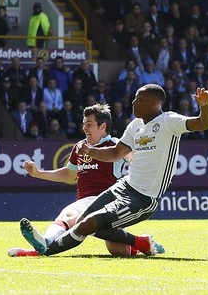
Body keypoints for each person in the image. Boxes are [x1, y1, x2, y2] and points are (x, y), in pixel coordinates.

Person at [19, 85, 208, 256]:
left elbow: (203, 124)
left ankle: (45, 250)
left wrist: (204, 105)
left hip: (142, 198)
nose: (133, 102)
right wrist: (91, 151)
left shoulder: (169, 121)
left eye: (139, 99)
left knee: (87, 225)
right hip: (123, 186)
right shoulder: (135, 125)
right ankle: (141, 243)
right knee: (82, 222)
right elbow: (115, 153)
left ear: (154, 103)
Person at [9, 104, 160, 257]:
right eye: (83, 124)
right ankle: (140, 244)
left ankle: (45, 242)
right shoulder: (79, 146)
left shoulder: (114, 144)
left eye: (89, 124)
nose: (84, 128)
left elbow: (133, 158)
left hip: (108, 200)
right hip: (85, 202)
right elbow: (69, 174)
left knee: (73, 218)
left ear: (102, 126)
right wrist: (38, 173)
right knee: (112, 245)